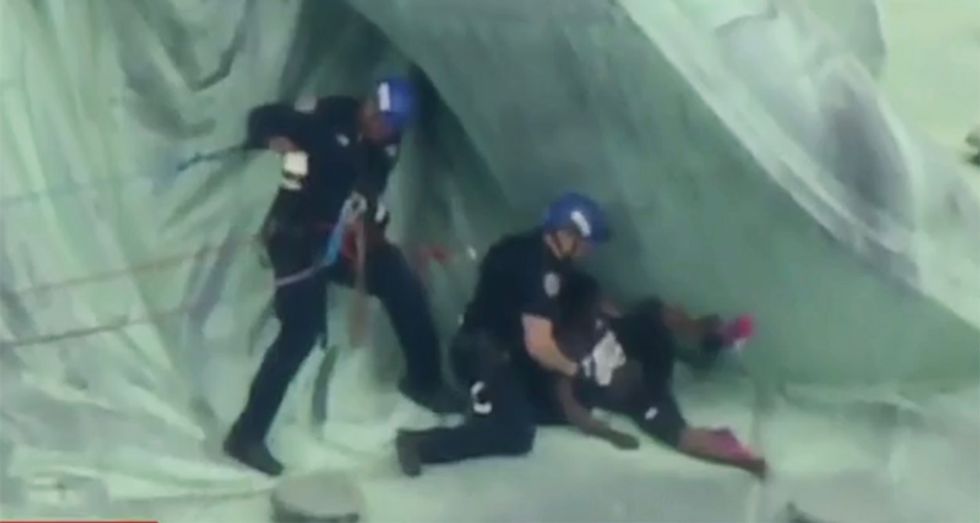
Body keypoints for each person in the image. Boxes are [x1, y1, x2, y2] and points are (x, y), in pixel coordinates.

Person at [224, 77, 462, 476]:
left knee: (400, 279)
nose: (376, 121)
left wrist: (367, 223)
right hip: (295, 238)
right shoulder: (330, 114)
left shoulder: (388, 144)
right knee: (300, 331)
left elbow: (368, 189)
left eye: (387, 120)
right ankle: (246, 435)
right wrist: (270, 138)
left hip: (343, 239)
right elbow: (266, 117)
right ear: (367, 102)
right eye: (375, 111)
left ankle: (423, 380)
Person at [394, 192, 625, 476]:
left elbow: (581, 290)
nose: (589, 250)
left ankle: (498, 403)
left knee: (553, 406)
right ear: (567, 234)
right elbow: (540, 345)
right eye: (587, 243)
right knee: (515, 434)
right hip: (481, 355)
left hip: (509, 354)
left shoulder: (539, 255)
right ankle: (420, 444)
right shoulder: (533, 267)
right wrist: (577, 368)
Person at [545, 269, 767, 478]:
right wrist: (611, 435)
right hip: (639, 395)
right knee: (679, 437)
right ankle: (740, 456)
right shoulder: (561, 361)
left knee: (655, 312)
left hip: (643, 353)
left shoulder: (589, 307)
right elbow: (574, 411)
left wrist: (637, 318)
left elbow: (620, 312)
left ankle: (711, 336)